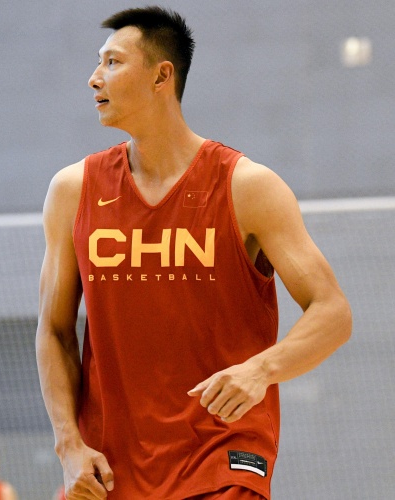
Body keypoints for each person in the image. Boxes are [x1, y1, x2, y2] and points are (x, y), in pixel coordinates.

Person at [35, 6, 351, 500]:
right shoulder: (73, 190)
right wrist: (68, 444)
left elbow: (332, 312)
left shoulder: (247, 187)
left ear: (162, 76)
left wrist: (260, 370)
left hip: (223, 456)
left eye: (113, 62)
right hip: (112, 468)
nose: (94, 78)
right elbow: (55, 332)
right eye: (98, 63)